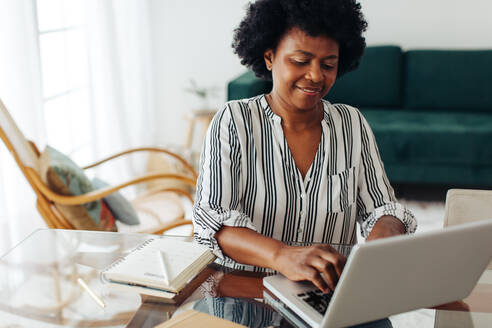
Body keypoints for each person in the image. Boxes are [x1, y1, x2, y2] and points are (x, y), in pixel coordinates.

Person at [193, 0, 417, 294]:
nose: (315, 76)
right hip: (247, 289)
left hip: (326, 295)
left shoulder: (351, 124)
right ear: (270, 56)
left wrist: (379, 244)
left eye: (328, 65)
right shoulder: (234, 120)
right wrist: (282, 256)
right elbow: (214, 221)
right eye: (300, 61)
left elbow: (383, 209)